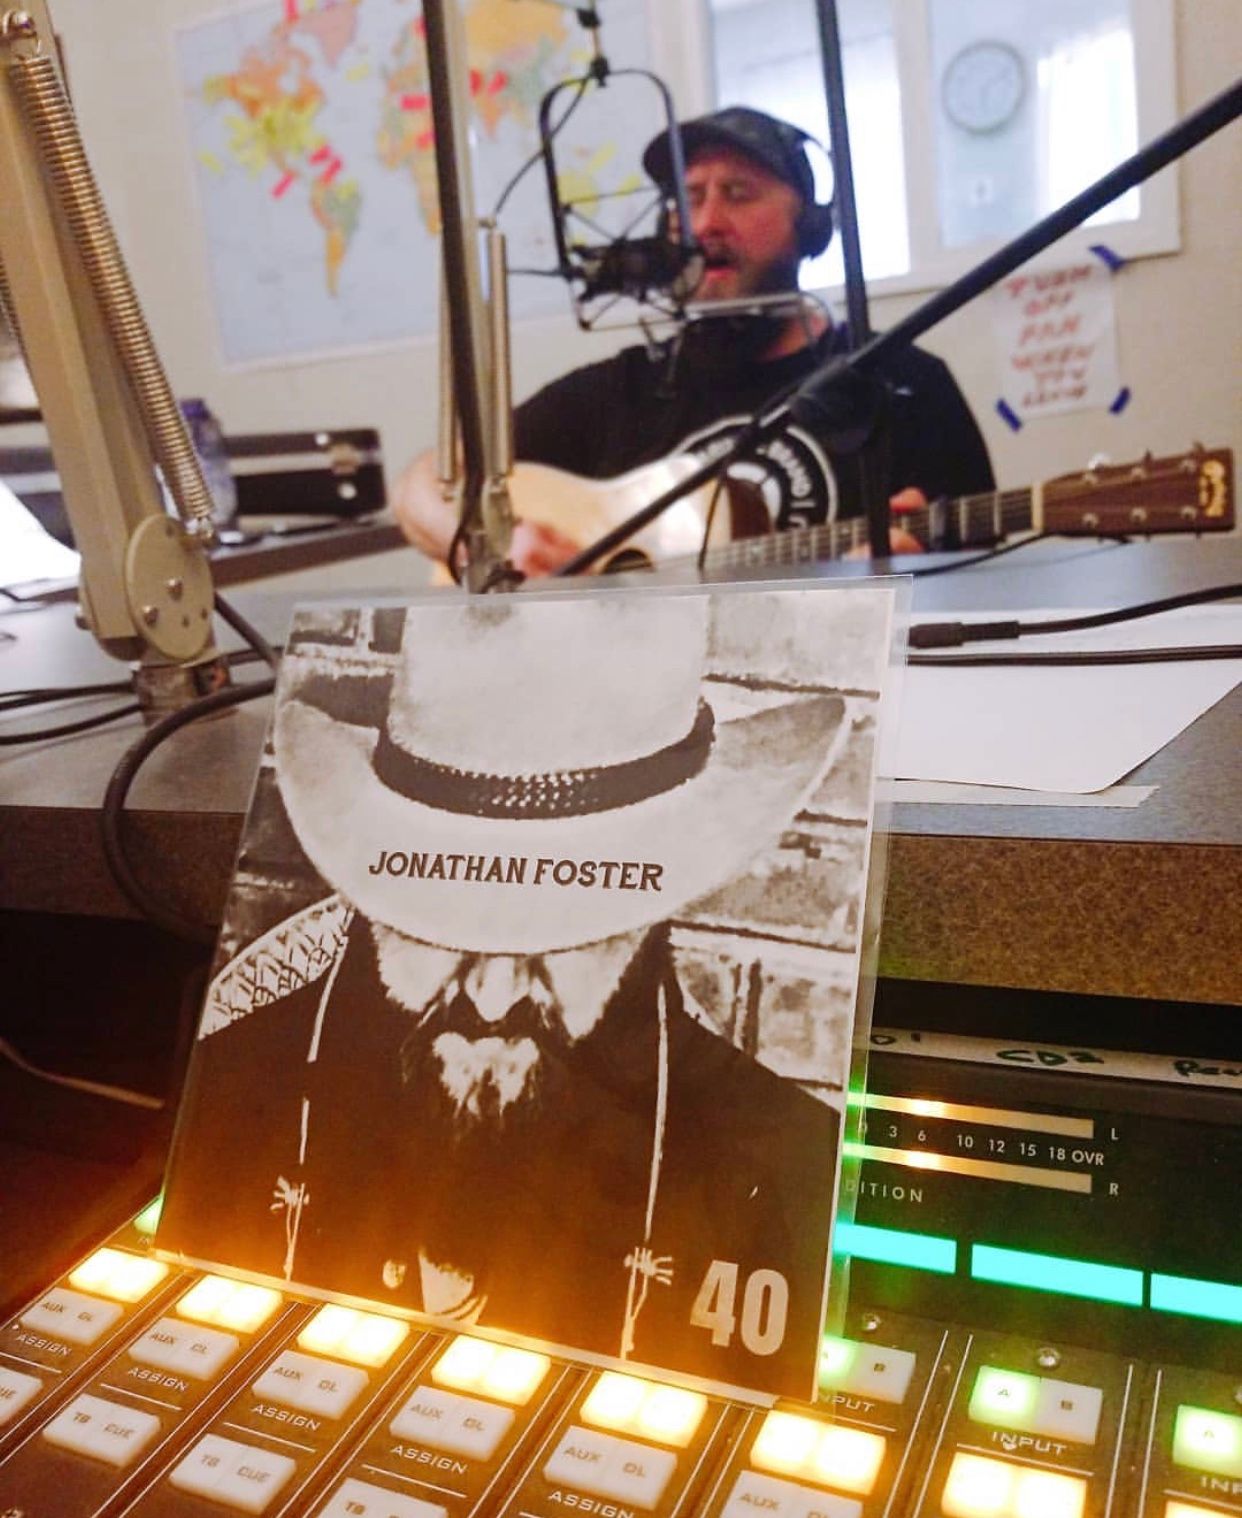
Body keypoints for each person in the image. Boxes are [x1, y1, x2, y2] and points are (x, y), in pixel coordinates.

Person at [157, 591, 871, 1398]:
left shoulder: (786, 1170)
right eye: (438, 921)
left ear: (653, 913)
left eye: (570, 928)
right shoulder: (227, 1099)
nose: (494, 998)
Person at [393, 105, 995, 575]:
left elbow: (983, 568)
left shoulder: (906, 382)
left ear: (809, 228)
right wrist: (486, 547)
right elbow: (423, 484)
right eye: (690, 199)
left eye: (738, 193)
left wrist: (915, 566)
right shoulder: (621, 390)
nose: (705, 223)